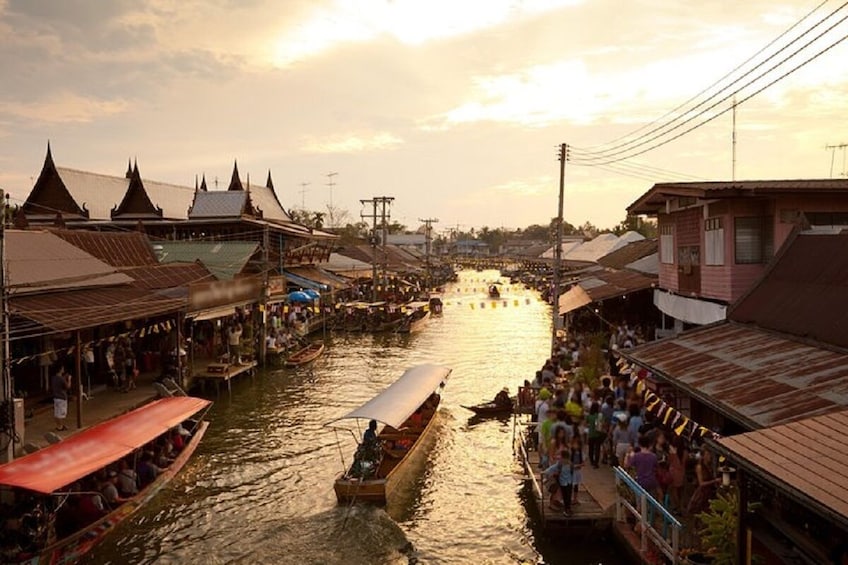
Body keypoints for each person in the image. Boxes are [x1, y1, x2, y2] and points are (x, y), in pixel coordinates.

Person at [687, 449, 720, 516]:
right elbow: (701, 483)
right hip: (702, 493)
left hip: (710, 492)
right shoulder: (699, 467)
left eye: (709, 454)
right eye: (707, 454)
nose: (709, 456)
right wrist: (714, 481)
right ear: (703, 456)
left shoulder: (710, 466)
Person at [544, 449, 574, 516]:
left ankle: (568, 508)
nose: (564, 460)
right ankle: (567, 509)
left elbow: (571, 473)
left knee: (568, 496)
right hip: (563, 483)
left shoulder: (570, 465)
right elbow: (550, 469)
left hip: (569, 482)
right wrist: (546, 473)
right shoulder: (559, 464)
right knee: (565, 495)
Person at [51, 366, 71, 431]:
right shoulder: (61, 379)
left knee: (57, 412)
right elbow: (67, 386)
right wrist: (69, 379)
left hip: (56, 397)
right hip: (62, 397)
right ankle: (60, 426)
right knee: (61, 413)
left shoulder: (54, 378)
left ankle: (59, 425)